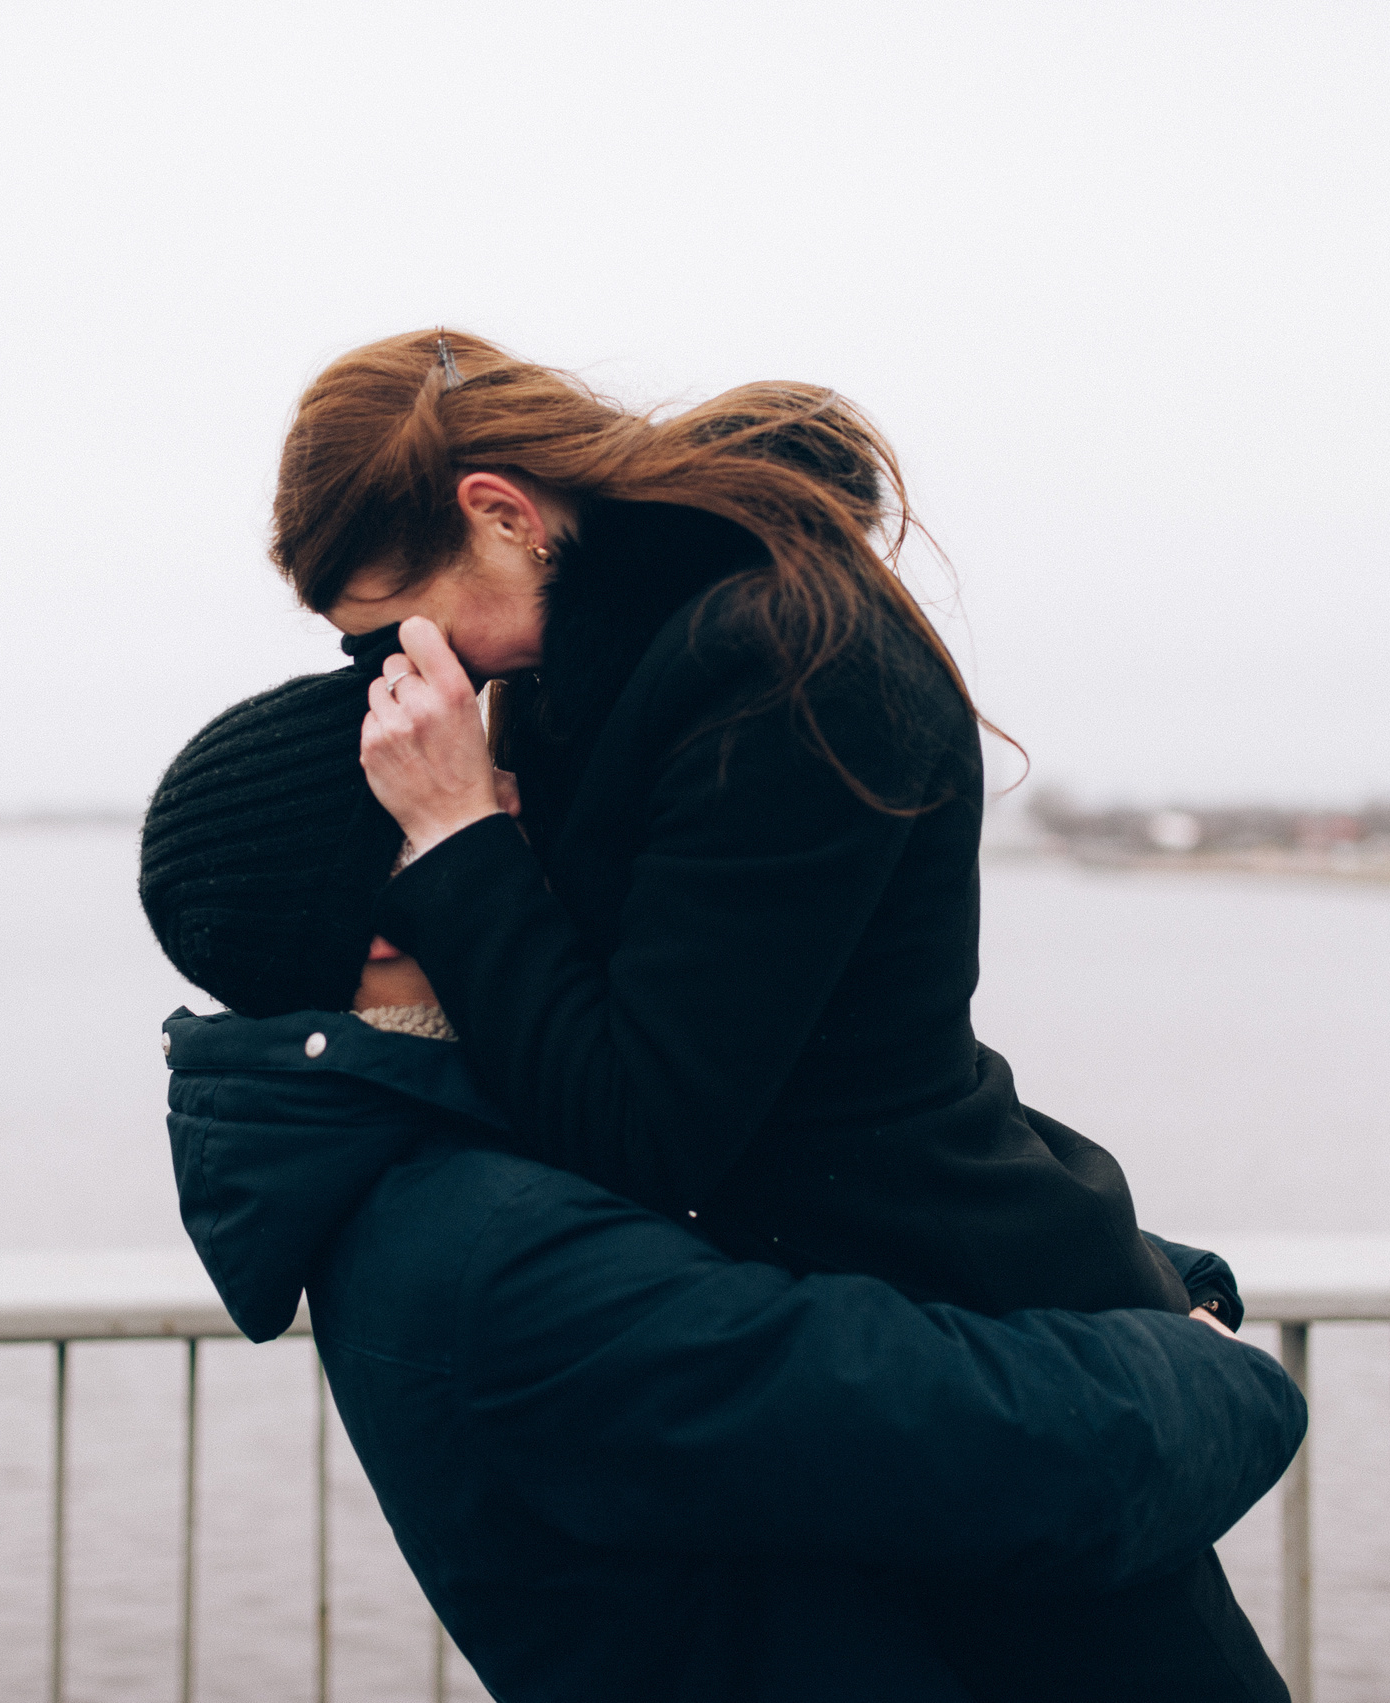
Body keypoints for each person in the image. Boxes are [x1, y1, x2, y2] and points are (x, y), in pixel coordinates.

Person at [265, 329, 1286, 1695]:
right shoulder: (609, 673)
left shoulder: (787, 657)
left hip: (984, 1354)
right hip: (867, 1351)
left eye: (407, 622)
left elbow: (650, 1126)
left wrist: (456, 835)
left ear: (501, 513)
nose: (415, 671)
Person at [139, 665, 1306, 1702]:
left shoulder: (479, 1152)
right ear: (385, 930)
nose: (548, 819)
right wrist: (1217, 1371)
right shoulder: (495, 1254)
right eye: (491, 804)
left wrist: (1161, 1278)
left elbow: (832, 1232)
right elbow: (992, 1445)